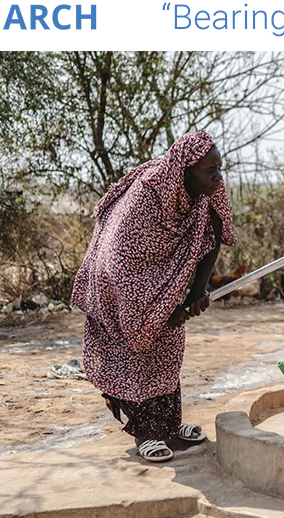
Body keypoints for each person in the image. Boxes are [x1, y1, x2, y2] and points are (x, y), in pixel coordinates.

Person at [71, 130, 236, 462]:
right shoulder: (146, 196)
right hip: (116, 282)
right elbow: (118, 262)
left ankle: (169, 426)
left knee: (169, 343)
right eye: (210, 170)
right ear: (185, 171)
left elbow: (214, 236)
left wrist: (197, 290)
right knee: (137, 351)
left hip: (155, 281)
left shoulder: (209, 192)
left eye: (220, 168)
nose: (218, 177)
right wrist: (157, 313)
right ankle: (146, 432)